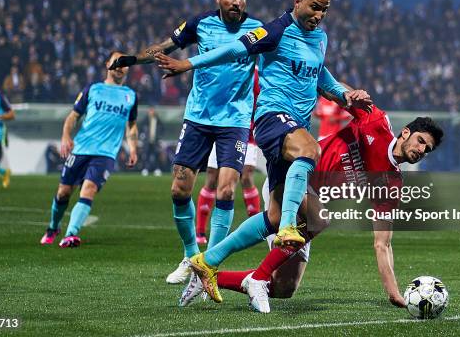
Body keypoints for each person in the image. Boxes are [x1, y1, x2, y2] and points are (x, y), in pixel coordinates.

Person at [155, 0, 369, 298]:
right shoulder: (275, 30)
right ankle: (286, 229)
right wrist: (188, 62)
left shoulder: (320, 38)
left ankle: (208, 261)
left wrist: (345, 95)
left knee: (295, 217)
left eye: (324, 10)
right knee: (310, 149)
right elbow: (232, 48)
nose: (319, 15)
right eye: (314, 7)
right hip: (272, 119)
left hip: (294, 125)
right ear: (297, 2)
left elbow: (321, 74)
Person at [180, 104, 444, 313]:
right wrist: (343, 88)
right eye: (421, 141)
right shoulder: (376, 123)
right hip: (295, 179)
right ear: (406, 132)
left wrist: (394, 293)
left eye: (427, 149)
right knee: (319, 219)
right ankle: (249, 274)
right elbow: (345, 95)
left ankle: (208, 274)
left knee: (284, 288)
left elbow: (382, 243)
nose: (422, 150)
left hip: (312, 210)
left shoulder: (392, 184)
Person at [112, 0, 263, 284]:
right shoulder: (201, 23)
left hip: (234, 121)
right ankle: (190, 254)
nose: (237, 2)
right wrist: (131, 59)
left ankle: (208, 263)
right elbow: (163, 46)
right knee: (179, 189)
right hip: (198, 118)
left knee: (225, 189)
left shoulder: (257, 30)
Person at [39, 52, 138, 248]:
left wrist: (133, 148)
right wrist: (66, 136)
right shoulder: (93, 89)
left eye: (124, 63)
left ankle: (70, 234)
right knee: (63, 193)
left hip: (106, 153)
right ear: (107, 64)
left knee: (89, 189)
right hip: (81, 148)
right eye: (116, 62)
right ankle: (53, 227)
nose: (120, 66)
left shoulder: (131, 95)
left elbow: (132, 125)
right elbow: (73, 116)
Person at [195, 69, 262, 244]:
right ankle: (200, 231)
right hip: (218, 128)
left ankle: (255, 227)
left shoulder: (257, 74)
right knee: (212, 177)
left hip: (245, 132)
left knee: (246, 176)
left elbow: (260, 101)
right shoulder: (224, 68)